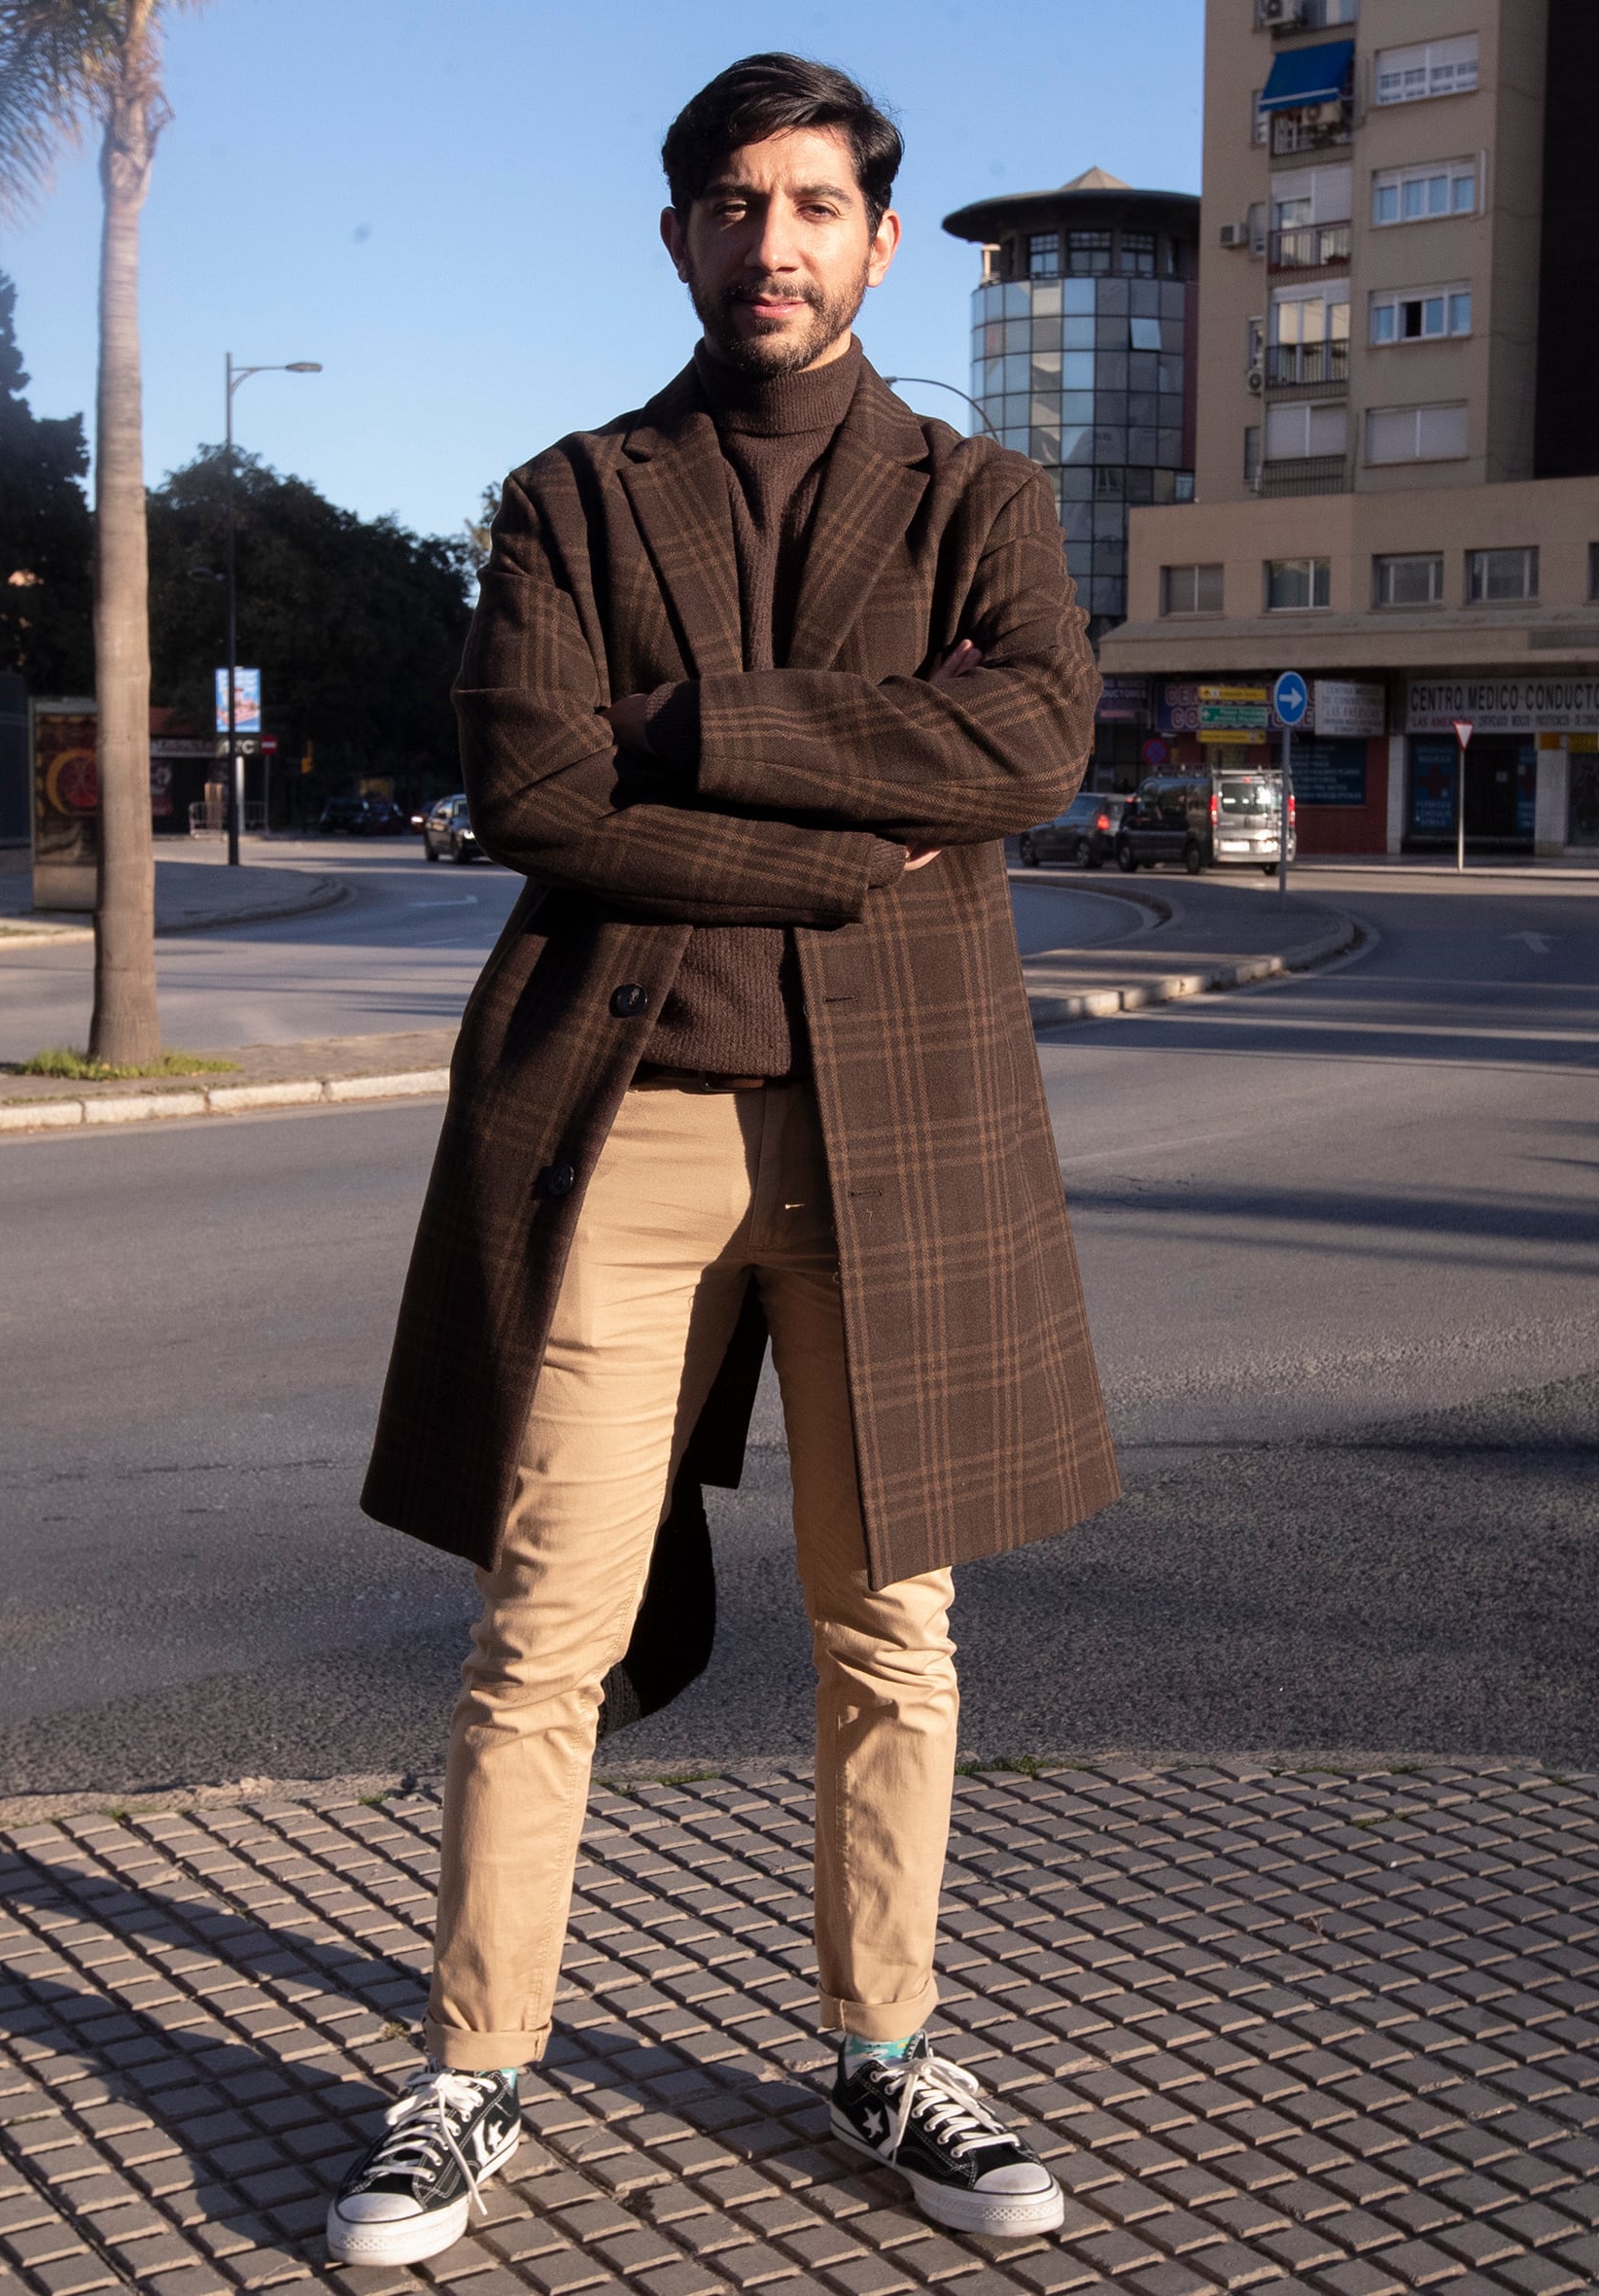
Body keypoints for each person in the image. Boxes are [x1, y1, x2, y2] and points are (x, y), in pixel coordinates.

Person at [330, 52, 1117, 2272]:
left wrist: (706, 723)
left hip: (901, 1139)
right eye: (729, 203)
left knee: (896, 1627)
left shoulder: (981, 502)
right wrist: (861, 835)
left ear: (875, 235)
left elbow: (1033, 737)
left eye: (811, 203)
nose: (770, 239)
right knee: (540, 1629)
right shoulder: (573, 499)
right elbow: (535, 796)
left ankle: (888, 2048)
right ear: (675, 238)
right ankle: (471, 2069)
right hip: (628, 1128)